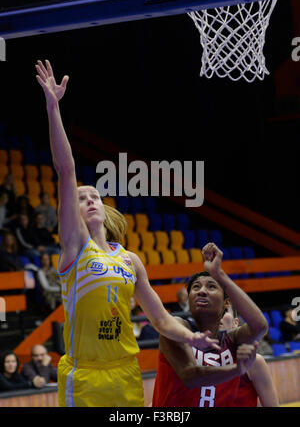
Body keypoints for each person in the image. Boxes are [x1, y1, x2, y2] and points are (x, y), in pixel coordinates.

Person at [35, 59, 221, 408]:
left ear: (104, 208)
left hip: (125, 372)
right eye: (80, 198)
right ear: (69, 214)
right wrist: (52, 106)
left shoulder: (130, 260)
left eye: (94, 195)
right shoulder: (75, 247)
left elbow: (162, 318)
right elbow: (65, 170)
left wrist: (192, 337)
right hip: (85, 375)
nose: (88, 199)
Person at [152, 242, 268, 407]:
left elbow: (260, 326)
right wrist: (237, 369)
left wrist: (220, 275)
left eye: (211, 286)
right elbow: (190, 376)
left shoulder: (231, 340)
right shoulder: (178, 328)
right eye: (196, 287)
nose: (202, 291)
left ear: (226, 303)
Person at [220, 302, 279, 407]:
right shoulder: (195, 358)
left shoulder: (255, 362)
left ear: (235, 323)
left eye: (224, 311)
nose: (217, 315)